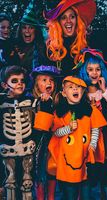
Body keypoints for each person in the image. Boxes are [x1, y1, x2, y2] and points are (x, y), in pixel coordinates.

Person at [34, 75, 107, 199]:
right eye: (71, 87)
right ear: (63, 93)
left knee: (86, 193)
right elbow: (56, 133)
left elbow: (96, 128)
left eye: (78, 87)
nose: (75, 90)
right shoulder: (60, 112)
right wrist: (68, 129)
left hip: (85, 158)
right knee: (70, 194)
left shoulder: (91, 110)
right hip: (67, 159)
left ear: (83, 91)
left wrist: (92, 144)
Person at [77, 48, 107, 200]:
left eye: (98, 69)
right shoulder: (81, 92)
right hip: (87, 136)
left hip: (106, 136)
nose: (94, 73)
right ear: (84, 71)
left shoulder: (106, 90)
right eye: (90, 69)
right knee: (87, 168)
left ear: (102, 72)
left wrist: (104, 91)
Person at [0, 65, 39, 199]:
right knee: (9, 183)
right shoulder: (1, 103)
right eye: (14, 81)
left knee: (27, 183)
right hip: (7, 151)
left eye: (22, 81)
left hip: (27, 151)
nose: (20, 84)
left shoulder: (31, 101)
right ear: (5, 84)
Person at [30, 65, 60, 200]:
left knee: (52, 169)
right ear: (37, 84)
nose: (49, 83)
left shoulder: (57, 100)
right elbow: (42, 126)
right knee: (39, 170)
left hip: (54, 140)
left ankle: (52, 197)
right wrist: (45, 104)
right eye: (44, 80)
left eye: (51, 80)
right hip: (40, 141)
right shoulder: (35, 101)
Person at [45, 0, 96, 76]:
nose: (68, 21)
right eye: (64, 18)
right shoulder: (51, 48)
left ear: (77, 20)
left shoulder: (88, 43)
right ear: (58, 23)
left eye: (72, 17)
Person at [14, 0, 47, 76]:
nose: (27, 31)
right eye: (24, 28)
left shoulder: (42, 49)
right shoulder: (14, 48)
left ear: (36, 31)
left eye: (31, 28)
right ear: (20, 30)